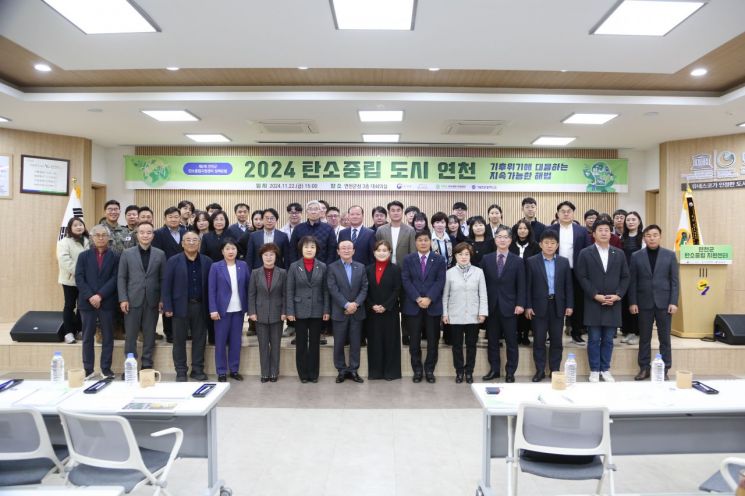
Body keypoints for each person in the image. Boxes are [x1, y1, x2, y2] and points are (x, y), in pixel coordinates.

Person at [575, 218, 630, 383]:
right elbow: (582, 277)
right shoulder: (585, 253)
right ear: (594, 233)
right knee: (593, 339)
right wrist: (595, 295)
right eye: (600, 230)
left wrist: (618, 295)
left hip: (613, 302)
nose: (604, 233)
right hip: (593, 302)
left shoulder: (618, 253)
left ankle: (605, 369)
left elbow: (625, 276)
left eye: (607, 230)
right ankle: (594, 370)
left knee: (608, 339)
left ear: (611, 233)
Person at [629, 225, 679, 381]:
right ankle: (644, 368)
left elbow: (674, 282)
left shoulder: (670, 255)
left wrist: (673, 302)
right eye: (648, 235)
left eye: (655, 235)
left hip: (664, 303)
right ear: (644, 237)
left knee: (665, 338)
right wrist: (633, 302)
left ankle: (664, 369)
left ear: (660, 237)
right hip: (644, 303)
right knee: (644, 338)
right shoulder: (636, 256)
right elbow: (633, 282)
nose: (652, 238)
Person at [162, 230, 212, 382]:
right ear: (182, 243)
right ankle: (181, 371)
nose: (191, 243)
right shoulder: (173, 261)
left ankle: (197, 369)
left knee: (200, 339)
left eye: (194, 240)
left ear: (199, 243)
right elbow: (166, 285)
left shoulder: (207, 261)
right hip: (179, 306)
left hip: (200, 306)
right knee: (179, 340)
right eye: (188, 240)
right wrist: (168, 307)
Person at [117, 221, 166, 372]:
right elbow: (121, 277)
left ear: (153, 235)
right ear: (137, 235)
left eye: (149, 232)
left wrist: (162, 299)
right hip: (132, 300)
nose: (145, 235)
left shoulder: (160, 254)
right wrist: (123, 298)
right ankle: (130, 366)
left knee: (149, 334)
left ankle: (147, 364)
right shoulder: (127, 253)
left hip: (152, 300)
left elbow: (163, 279)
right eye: (142, 232)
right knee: (131, 335)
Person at [525, 230, 574, 382]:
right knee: (539, 340)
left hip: (557, 306)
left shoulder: (564, 262)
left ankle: (555, 370)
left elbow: (568, 286)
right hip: (538, 306)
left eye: (553, 243)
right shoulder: (531, 261)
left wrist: (569, 305)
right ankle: (539, 371)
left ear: (557, 245)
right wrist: (527, 306)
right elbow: (527, 286)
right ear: (540, 244)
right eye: (546, 243)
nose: (549, 246)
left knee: (556, 341)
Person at [481, 226, 525, 383]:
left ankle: (510, 371)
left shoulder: (518, 261)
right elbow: (482, 284)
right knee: (492, 341)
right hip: (491, 307)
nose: (502, 239)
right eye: (499, 236)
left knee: (511, 342)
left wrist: (520, 304)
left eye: (505, 237)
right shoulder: (486, 259)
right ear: (495, 239)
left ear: (510, 240)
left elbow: (522, 285)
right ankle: (494, 370)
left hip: (511, 307)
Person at [401, 231, 447, 383]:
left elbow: (440, 281)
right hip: (412, 306)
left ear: (431, 242)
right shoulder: (408, 259)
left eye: (426, 240)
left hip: (432, 306)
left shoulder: (439, 259)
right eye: (420, 240)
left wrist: (429, 298)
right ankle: (417, 370)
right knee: (414, 341)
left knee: (433, 341)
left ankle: (429, 370)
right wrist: (417, 298)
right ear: (415, 243)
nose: (423, 243)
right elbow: (406, 280)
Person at [75, 225, 119, 378]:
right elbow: (79, 278)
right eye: (97, 235)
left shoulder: (115, 256)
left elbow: (115, 279)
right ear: (92, 238)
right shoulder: (83, 256)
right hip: (87, 303)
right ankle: (88, 369)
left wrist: (100, 295)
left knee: (108, 336)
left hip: (106, 302)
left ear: (108, 237)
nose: (101, 238)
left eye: (104, 235)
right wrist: (91, 296)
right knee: (87, 336)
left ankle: (106, 369)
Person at [442, 243, 488, 384]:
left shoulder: (478, 272)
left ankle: (469, 372)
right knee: (456, 346)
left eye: (466, 254)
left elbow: (483, 294)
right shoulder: (449, 273)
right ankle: (459, 372)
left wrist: (482, 313)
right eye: (460, 254)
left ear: (470, 256)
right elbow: (445, 296)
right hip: (455, 315)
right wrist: (445, 314)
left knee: (471, 345)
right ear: (455, 256)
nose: (463, 257)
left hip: (473, 315)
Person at [286, 236, 330, 383]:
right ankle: (303, 374)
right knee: (301, 343)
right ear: (301, 249)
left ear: (316, 249)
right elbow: (290, 290)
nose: (309, 249)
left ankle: (314, 374)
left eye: (312, 246)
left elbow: (325, 291)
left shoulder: (323, 266)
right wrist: (290, 312)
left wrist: (326, 310)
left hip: (317, 310)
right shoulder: (294, 266)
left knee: (315, 343)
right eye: (306, 247)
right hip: (299, 311)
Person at [548, 201, 592, 345]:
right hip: (555, 270)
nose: (566, 213)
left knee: (578, 302)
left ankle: (576, 332)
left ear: (573, 213)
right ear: (558, 213)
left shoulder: (582, 231)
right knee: (554, 301)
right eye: (563, 211)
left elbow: (587, 252)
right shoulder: (551, 230)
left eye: (569, 211)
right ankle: (553, 333)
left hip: (576, 271)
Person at [208, 239, 250, 382]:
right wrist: (213, 309)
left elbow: (248, 288)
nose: (231, 251)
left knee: (236, 342)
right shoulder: (216, 267)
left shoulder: (243, 266)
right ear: (222, 251)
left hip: (238, 310)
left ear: (237, 251)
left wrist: (249, 308)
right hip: (221, 311)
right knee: (220, 342)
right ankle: (221, 371)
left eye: (233, 249)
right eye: (227, 249)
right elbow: (211, 290)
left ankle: (234, 369)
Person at [327, 240, 368, 383]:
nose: (346, 250)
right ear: (338, 251)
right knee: (338, 343)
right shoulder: (332, 268)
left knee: (355, 343)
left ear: (354, 251)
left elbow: (364, 288)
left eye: (349, 248)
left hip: (357, 311)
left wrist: (355, 304)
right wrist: (346, 304)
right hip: (340, 311)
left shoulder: (361, 267)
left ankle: (354, 370)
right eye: (343, 248)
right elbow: (333, 289)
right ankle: (341, 370)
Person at [248, 243, 287, 383]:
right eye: (266, 255)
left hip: (278, 314)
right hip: (260, 314)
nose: (269, 257)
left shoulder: (283, 273)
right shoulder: (255, 273)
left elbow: (285, 294)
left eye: (272, 254)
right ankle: (265, 373)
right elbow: (251, 294)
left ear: (276, 257)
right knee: (263, 345)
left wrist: (284, 312)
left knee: (276, 345)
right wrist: (252, 312)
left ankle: (274, 372)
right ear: (261, 257)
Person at [365, 240, 402, 381]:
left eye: (385, 250)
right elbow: (365, 290)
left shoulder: (396, 269)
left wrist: (385, 306)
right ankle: (376, 372)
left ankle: (390, 372)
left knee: (390, 342)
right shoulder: (367, 269)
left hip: (390, 311)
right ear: (374, 252)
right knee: (375, 341)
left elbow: (397, 290)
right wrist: (372, 305)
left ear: (390, 252)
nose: (382, 253)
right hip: (372, 311)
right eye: (379, 250)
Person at [57, 217, 90, 344]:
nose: (78, 227)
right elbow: (65, 260)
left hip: (86, 280)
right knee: (69, 306)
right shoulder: (64, 242)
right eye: (75, 225)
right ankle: (68, 332)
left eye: (80, 224)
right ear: (70, 228)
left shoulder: (88, 241)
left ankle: (80, 330)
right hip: (70, 280)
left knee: (82, 306)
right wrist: (79, 273)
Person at [509, 220, 541, 346]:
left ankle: (526, 333)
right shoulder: (511, 244)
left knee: (527, 306)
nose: (522, 230)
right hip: (513, 280)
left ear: (529, 230)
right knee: (516, 307)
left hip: (530, 279)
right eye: (520, 228)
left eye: (525, 228)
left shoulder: (535, 246)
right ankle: (517, 333)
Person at [620, 211, 644, 345]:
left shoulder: (643, 238)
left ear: (639, 222)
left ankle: (637, 332)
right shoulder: (622, 238)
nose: (630, 222)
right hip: (624, 275)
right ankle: (628, 331)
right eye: (628, 220)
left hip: (638, 276)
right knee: (626, 304)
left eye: (633, 219)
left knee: (637, 304)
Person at [288, 200, 337, 264]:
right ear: (306, 212)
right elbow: (292, 250)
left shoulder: (328, 228)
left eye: (316, 209)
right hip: (301, 267)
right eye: (310, 209)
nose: (313, 212)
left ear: (320, 212)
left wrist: (327, 268)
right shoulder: (298, 228)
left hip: (323, 268)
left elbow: (332, 252)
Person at [376, 200, 416, 266]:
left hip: (404, 268)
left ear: (402, 212)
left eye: (398, 210)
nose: (396, 213)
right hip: (385, 267)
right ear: (388, 213)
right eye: (393, 210)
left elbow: (413, 252)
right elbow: (377, 250)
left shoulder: (410, 230)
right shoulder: (381, 230)